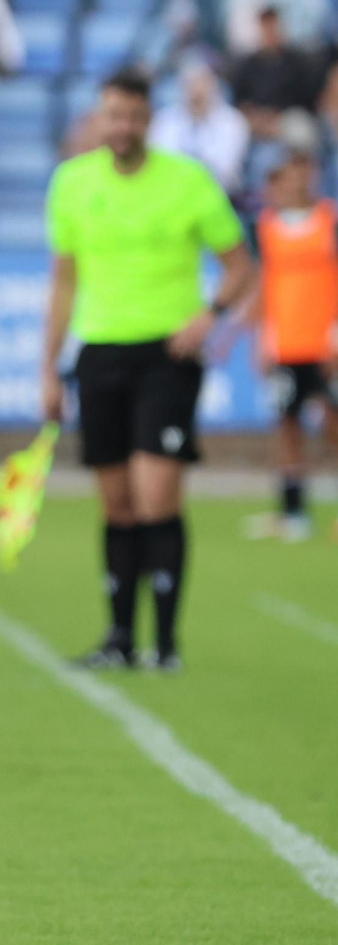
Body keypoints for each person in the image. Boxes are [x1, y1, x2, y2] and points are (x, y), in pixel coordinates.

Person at [40, 70, 256, 672]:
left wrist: (208, 315)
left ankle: (165, 644)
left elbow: (241, 267)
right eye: (114, 115)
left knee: (156, 495)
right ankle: (119, 638)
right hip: (100, 353)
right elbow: (62, 282)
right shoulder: (72, 183)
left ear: (149, 119)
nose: (124, 127)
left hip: (168, 355)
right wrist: (49, 370)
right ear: (100, 117)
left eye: (134, 116)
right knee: (117, 506)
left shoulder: (187, 181)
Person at [243, 119, 338, 542]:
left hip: (325, 345)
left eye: (302, 170)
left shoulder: (328, 222)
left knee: (333, 426)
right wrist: (260, 339)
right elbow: (266, 285)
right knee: (287, 427)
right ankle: (294, 512)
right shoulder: (266, 228)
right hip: (285, 345)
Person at [150, 60, 251, 199]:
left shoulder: (232, 121)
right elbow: (160, 162)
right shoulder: (164, 120)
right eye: (190, 84)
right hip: (172, 195)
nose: (196, 91)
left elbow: (226, 170)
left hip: (219, 196)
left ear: (214, 86)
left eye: (202, 83)